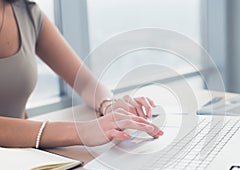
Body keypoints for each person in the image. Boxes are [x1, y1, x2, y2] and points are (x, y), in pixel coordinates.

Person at [0, 0, 163, 148]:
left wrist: (108, 105)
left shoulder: (26, 14)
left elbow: (85, 82)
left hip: (21, 158)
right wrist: (80, 131)